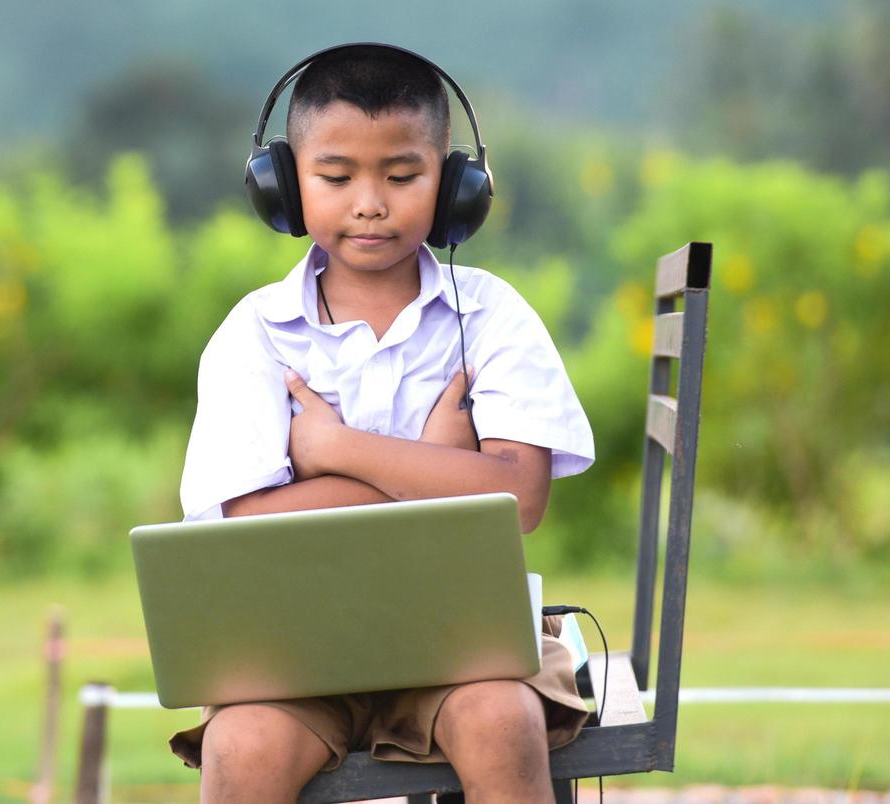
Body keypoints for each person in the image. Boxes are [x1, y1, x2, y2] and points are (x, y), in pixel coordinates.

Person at [168, 44, 596, 803]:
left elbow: (520, 499)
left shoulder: (489, 316)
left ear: (457, 186)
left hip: (463, 652)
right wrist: (433, 470)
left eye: (402, 177)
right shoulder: (257, 333)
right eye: (335, 178)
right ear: (284, 186)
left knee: (502, 719)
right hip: (293, 655)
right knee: (242, 742)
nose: (370, 202)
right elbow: (245, 520)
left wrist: (337, 449)